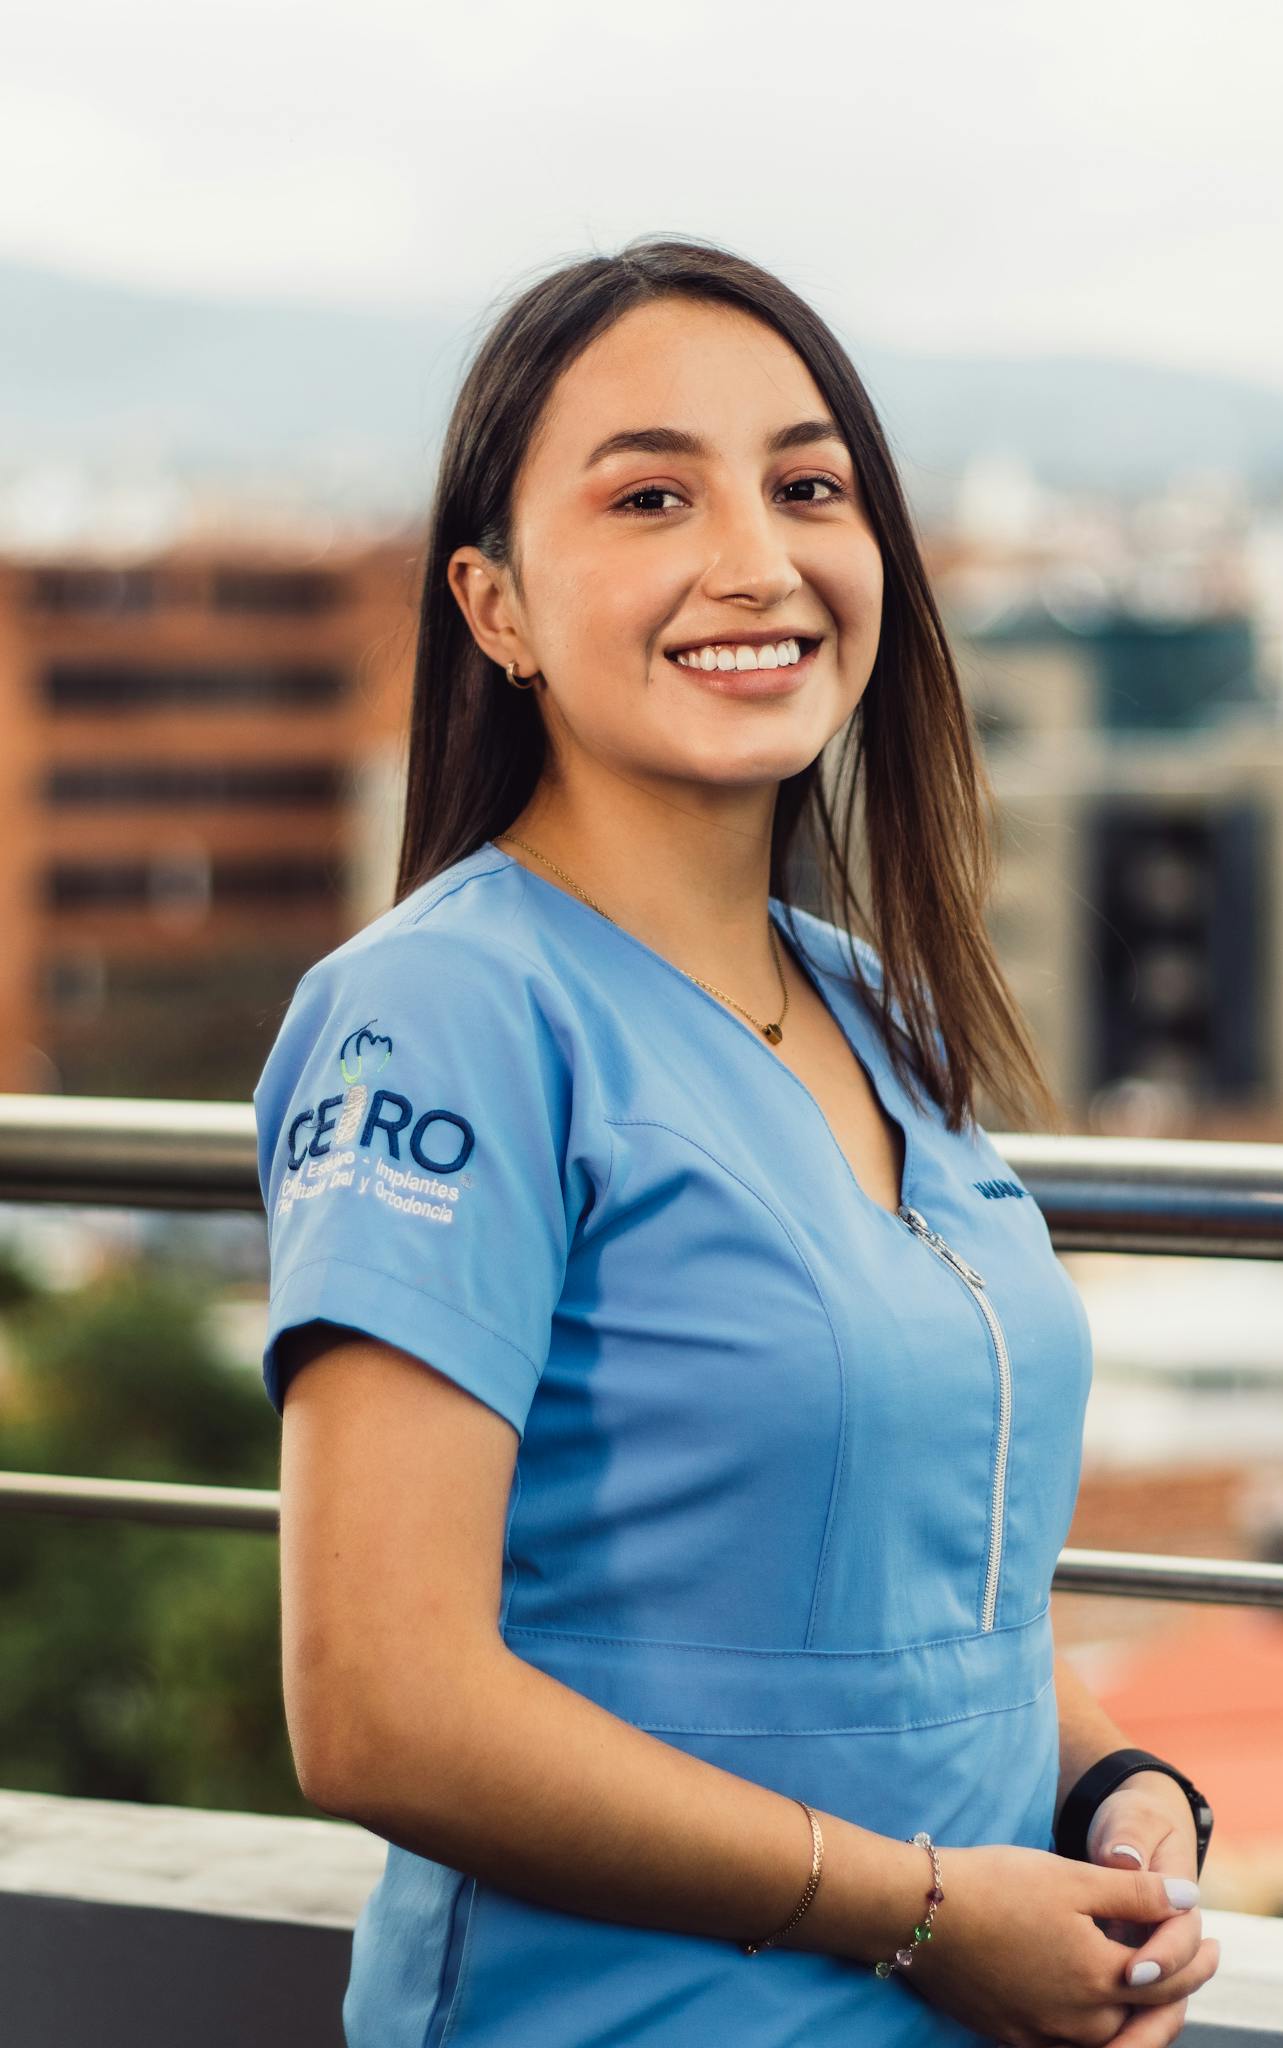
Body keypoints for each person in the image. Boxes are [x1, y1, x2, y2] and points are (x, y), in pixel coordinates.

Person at [253, 234, 1221, 2046]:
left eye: (805, 486)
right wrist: (929, 1914)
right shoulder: (451, 1014)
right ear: (496, 606)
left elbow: (909, 1600)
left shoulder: (871, 1003)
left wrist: (1112, 1788)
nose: (753, 561)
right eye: (649, 497)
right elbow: (379, 1701)